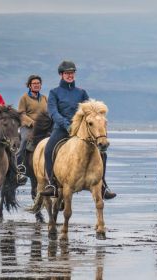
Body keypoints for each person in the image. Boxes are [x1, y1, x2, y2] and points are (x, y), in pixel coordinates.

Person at [42, 60, 116, 199]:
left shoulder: (81, 92)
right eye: (67, 73)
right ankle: (52, 184)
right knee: (48, 150)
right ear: (61, 75)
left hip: (81, 131)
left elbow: (91, 112)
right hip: (62, 129)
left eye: (72, 73)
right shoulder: (54, 92)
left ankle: (103, 185)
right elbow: (53, 112)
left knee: (102, 153)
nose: (70, 75)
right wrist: (66, 124)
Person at [16, 74, 48, 178]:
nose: (36, 85)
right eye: (34, 83)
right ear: (29, 85)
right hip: (28, 126)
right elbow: (21, 114)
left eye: (38, 83)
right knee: (25, 140)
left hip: (43, 127)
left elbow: (48, 112)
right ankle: (19, 165)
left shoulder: (44, 98)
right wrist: (32, 122)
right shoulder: (24, 98)